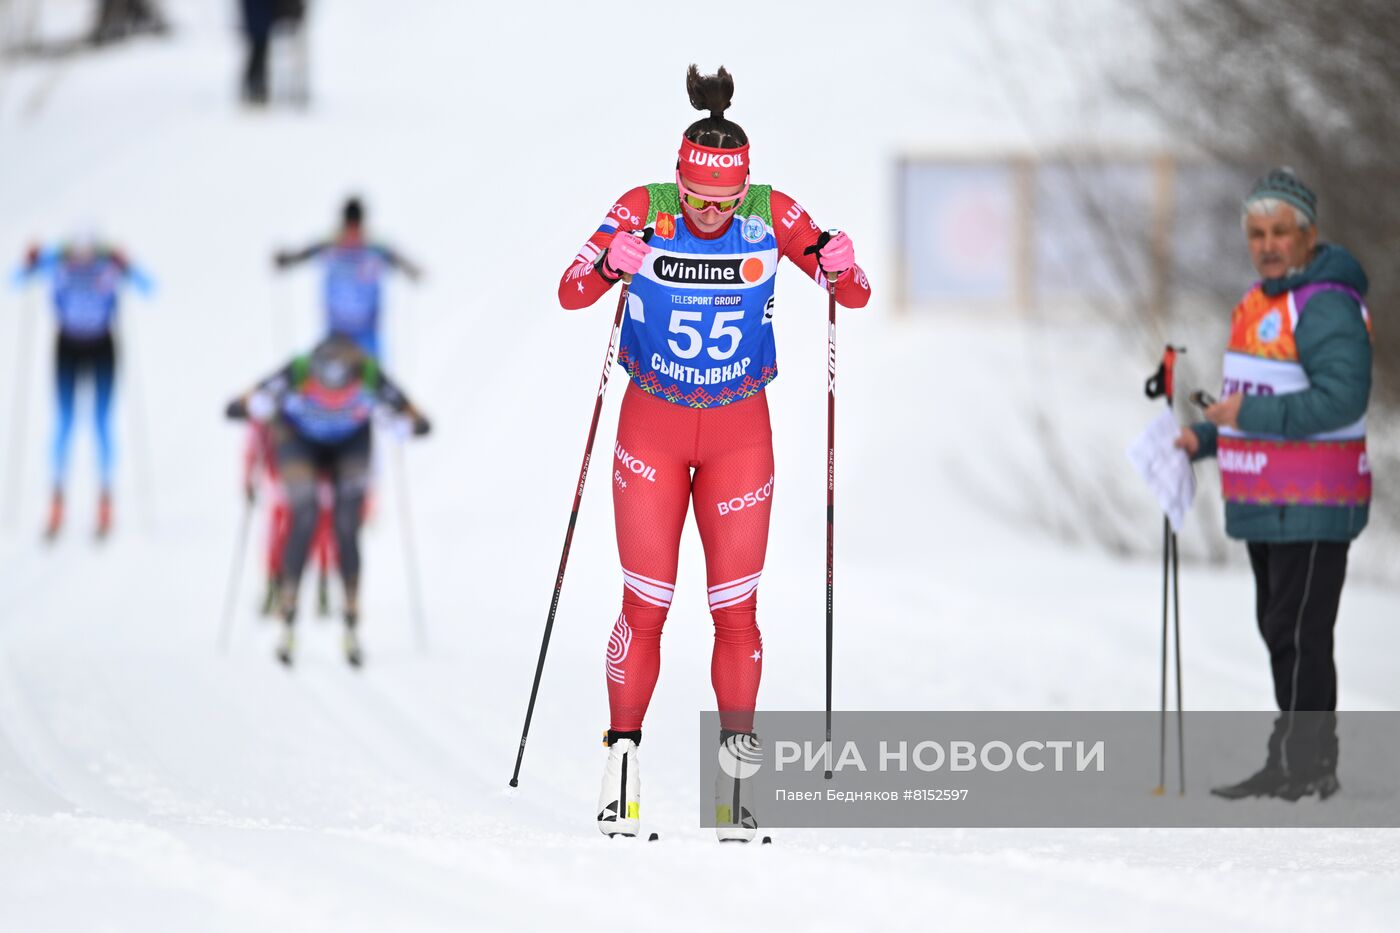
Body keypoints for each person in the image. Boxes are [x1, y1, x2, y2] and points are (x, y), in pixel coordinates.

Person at [557, 65, 871, 840]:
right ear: (678, 179)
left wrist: (840, 264)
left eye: (724, 201)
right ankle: (620, 768)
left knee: (736, 613)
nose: (709, 212)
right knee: (647, 602)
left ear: (746, 188)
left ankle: (736, 787)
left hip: (738, 432)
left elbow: (853, 291)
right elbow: (570, 290)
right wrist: (607, 264)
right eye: (698, 198)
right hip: (653, 429)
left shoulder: (770, 214)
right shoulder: (645, 208)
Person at [1176, 169, 1371, 801]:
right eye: (1256, 233)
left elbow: (1343, 399)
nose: (1267, 244)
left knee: (1301, 632)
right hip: (1264, 498)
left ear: (1308, 233)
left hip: (1317, 500)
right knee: (1279, 628)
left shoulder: (1326, 303)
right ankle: (1291, 756)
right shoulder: (1257, 303)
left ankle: (1309, 762)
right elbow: (1251, 398)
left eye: (1280, 231)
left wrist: (1248, 417)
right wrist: (1202, 439)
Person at [225, 335, 430, 667]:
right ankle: (289, 599)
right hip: (298, 439)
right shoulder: (299, 369)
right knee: (303, 510)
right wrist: (245, 406)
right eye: (325, 383)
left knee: (347, 522)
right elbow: (255, 395)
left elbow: (405, 406)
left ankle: (350, 606)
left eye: (341, 382)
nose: (333, 392)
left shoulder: (368, 373)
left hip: (350, 442)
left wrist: (413, 422)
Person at [11, 235, 154, 540]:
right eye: (77, 257)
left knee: (101, 422)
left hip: (102, 346)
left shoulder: (108, 263)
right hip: (68, 348)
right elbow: (16, 280)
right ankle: (56, 498)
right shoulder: (57, 260)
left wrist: (127, 264)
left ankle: (105, 498)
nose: (83, 262)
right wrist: (31, 260)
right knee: (64, 423)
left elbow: (148, 287)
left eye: (88, 256)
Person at [273, 197, 423, 357]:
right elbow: (300, 255)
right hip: (336, 333)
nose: (352, 231)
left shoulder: (376, 249)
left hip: (367, 334)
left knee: (370, 368)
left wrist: (412, 271)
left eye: (356, 225)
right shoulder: (329, 246)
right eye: (349, 225)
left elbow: (404, 263)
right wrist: (286, 260)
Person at [242, 421, 337, 617]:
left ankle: (323, 590)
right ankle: (275, 589)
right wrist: (249, 477)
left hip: (316, 481)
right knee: (280, 537)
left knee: (321, 535)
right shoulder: (267, 411)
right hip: (282, 482)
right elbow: (254, 442)